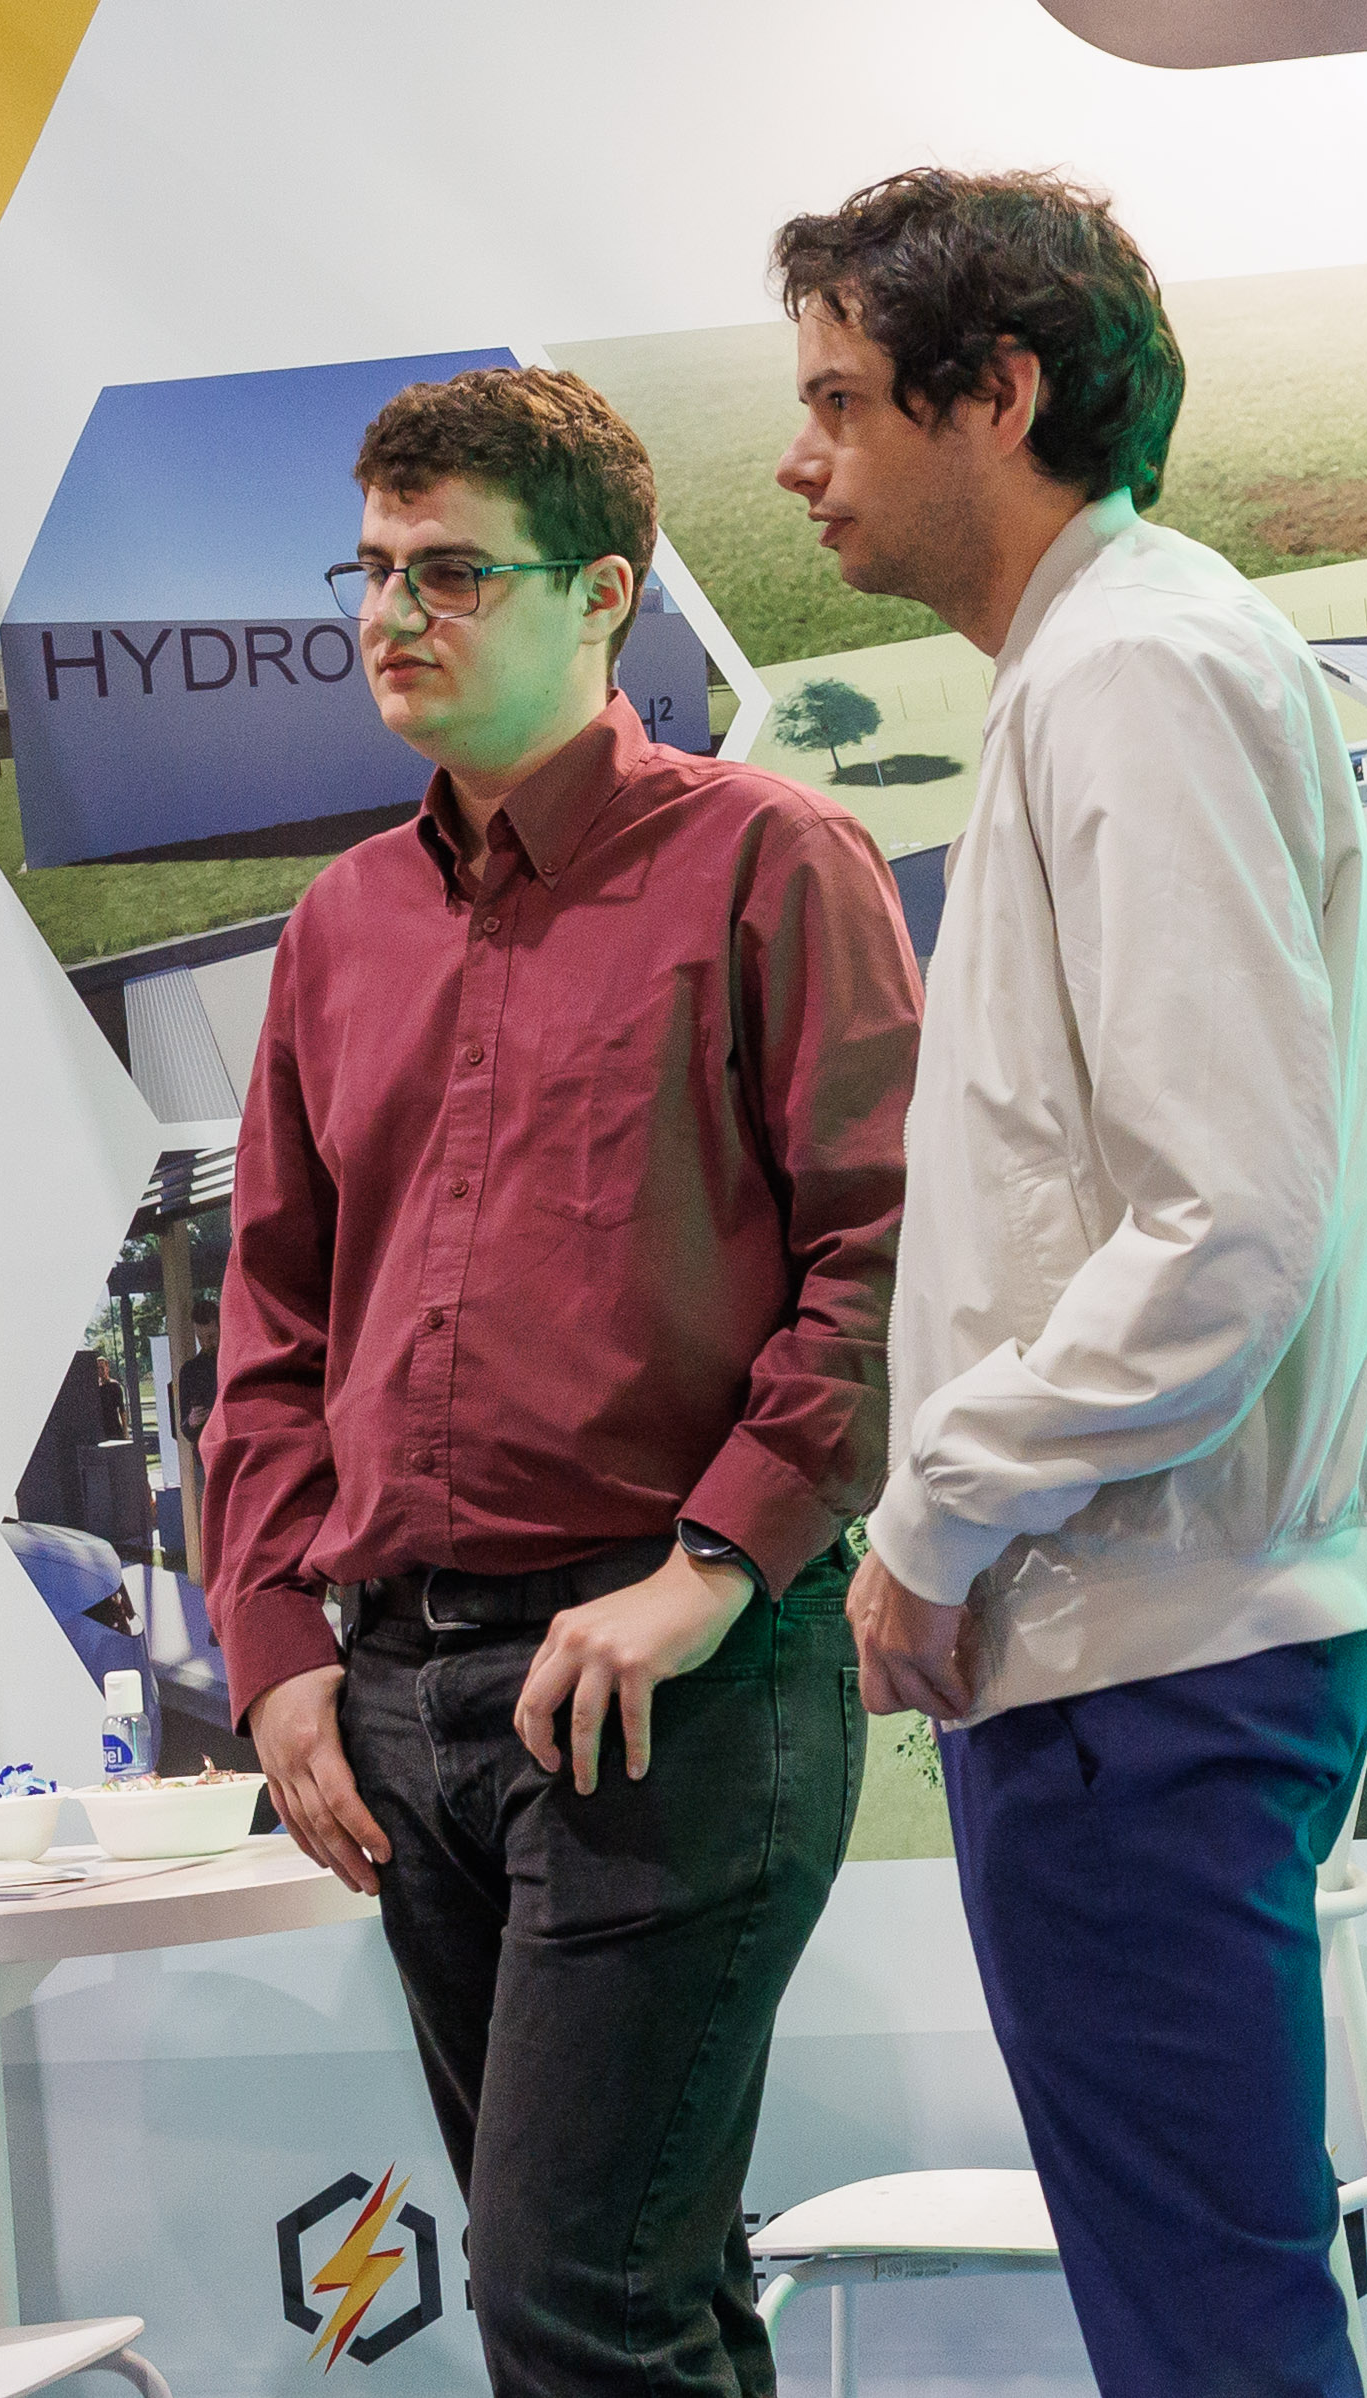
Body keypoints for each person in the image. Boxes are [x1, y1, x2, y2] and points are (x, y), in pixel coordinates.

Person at [771, 170, 1367, 2396]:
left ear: (998, 392)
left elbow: (1221, 1220)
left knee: (1212, 2341)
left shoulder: (1134, 666)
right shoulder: (1100, 660)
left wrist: (939, 1507)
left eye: (843, 401)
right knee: (1205, 2325)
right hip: (1141, 1633)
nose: (796, 459)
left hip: (1145, 1642)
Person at [200, 365, 918, 2395]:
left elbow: (887, 1253)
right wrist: (277, 1648)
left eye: (449, 572)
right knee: (641, 2299)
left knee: (572, 2301)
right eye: (371, 570)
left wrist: (713, 1565)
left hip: (672, 1680)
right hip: (402, 1698)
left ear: (604, 594)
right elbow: (272, 1322)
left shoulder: (772, 860)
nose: (389, 615)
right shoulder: (343, 923)